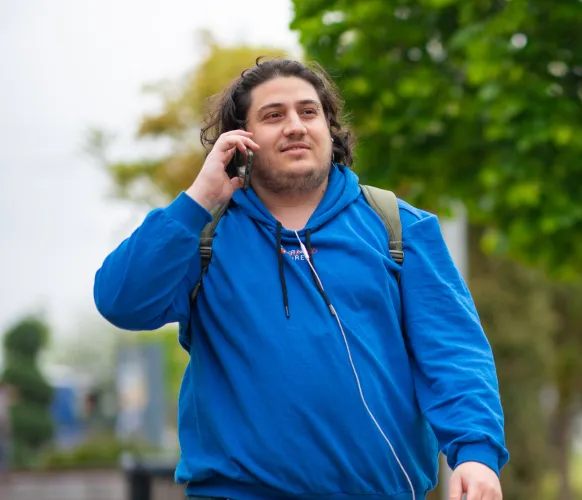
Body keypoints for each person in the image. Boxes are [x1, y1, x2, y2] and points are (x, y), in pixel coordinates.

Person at [94, 57, 508, 500]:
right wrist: (199, 198)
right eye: (273, 116)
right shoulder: (201, 237)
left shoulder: (400, 227)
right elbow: (120, 301)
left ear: (329, 128)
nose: (294, 125)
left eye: (308, 112)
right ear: (240, 140)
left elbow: (454, 351)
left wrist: (476, 453)